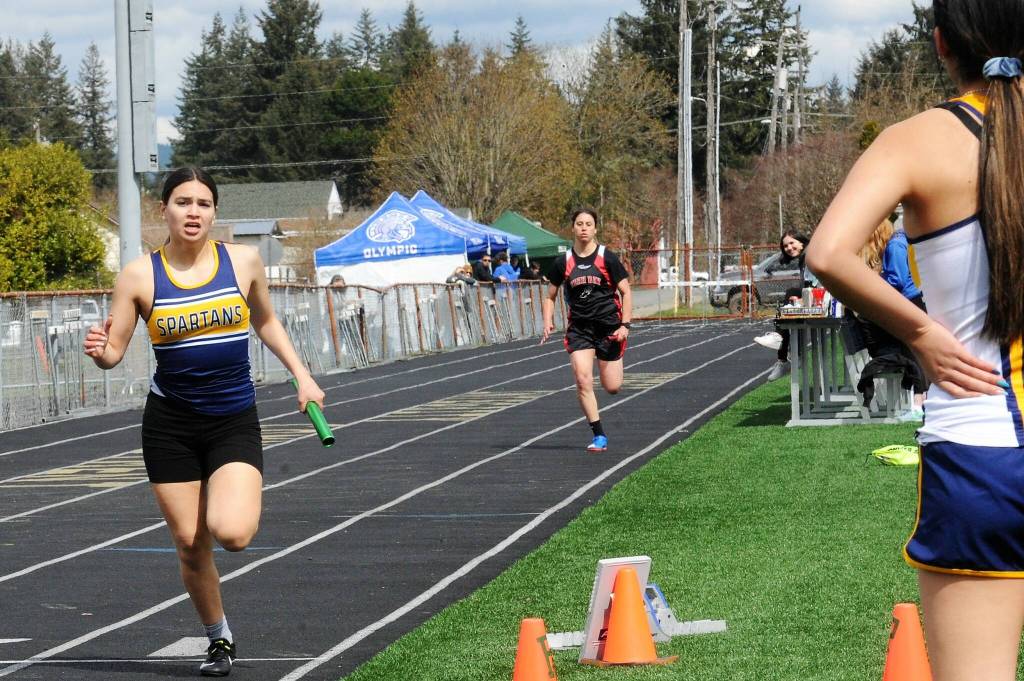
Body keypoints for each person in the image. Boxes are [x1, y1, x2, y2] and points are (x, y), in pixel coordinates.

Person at [805, 2, 1020, 677]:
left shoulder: (921, 138)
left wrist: (921, 331)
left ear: (939, 43)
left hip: (980, 447)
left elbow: (829, 252)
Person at [82, 167, 325, 677]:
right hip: (170, 423)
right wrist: (100, 352)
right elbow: (116, 352)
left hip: (232, 418)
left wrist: (303, 377)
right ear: (164, 209)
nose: (193, 212)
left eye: (204, 203)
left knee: (231, 533)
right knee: (191, 545)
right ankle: (219, 638)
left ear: (215, 212)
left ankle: (233, 489)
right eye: (183, 202)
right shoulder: (140, 275)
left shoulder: (242, 261)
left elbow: (265, 320)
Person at [541, 208, 632, 452]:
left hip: (609, 328)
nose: (583, 228)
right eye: (579, 223)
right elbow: (550, 295)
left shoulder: (607, 258)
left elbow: (626, 291)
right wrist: (548, 320)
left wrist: (625, 325)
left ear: (594, 229)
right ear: (573, 228)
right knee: (582, 380)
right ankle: (598, 435)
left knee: (612, 387)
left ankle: (614, 356)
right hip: (579, 329)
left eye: (588, 224)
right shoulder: (564, 262)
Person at [752, 229, 813, 380]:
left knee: (791, 295)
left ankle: (783, 356)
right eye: (785, 246)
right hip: (811, 296)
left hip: (825, 298)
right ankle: (784, 358)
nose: (789, 248)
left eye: (792, 243)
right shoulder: (803, 258)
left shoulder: (811, 255)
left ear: (801, 241)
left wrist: (805, 298)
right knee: (790, 312)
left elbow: (817, 282)